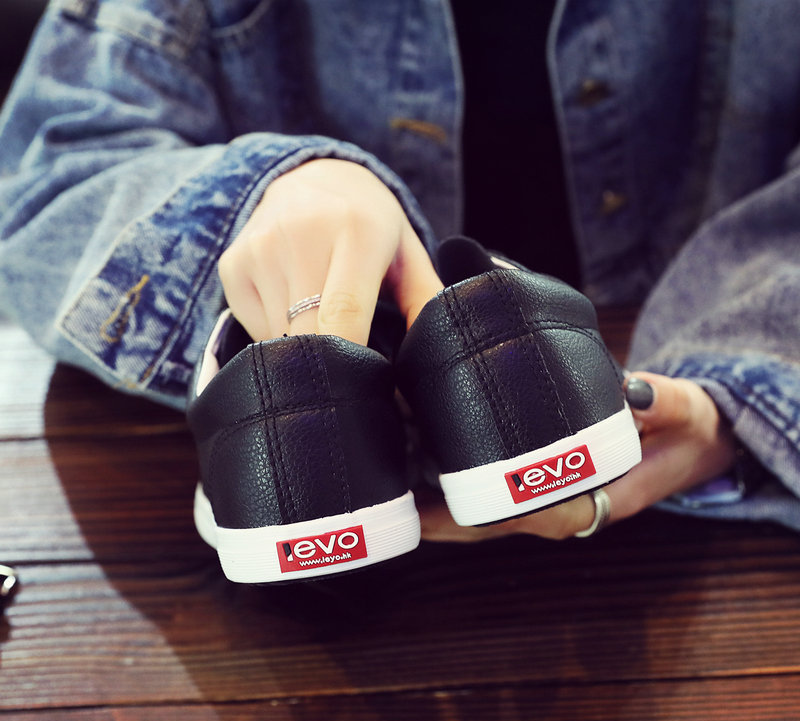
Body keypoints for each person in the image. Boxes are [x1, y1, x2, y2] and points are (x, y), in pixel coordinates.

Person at [0, 0, 798, 541]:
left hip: (278, 478)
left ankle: (307, 420)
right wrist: (270, 191)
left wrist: (742, 389)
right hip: (627, 431)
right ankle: (521, 371)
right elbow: (46, 176)